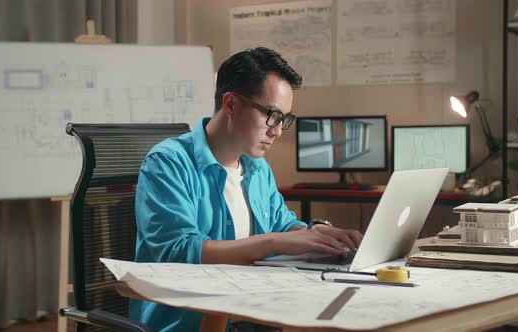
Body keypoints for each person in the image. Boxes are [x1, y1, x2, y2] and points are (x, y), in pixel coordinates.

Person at [130, 47, 362, 331]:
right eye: (272, 115)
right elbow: (177, 251)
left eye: (284, 119)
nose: (277, 131)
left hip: (251, 318)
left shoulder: (257, 168)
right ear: (230, 104)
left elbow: (282, 223)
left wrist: (316, 236)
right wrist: (273, 242)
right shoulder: (168, 162)